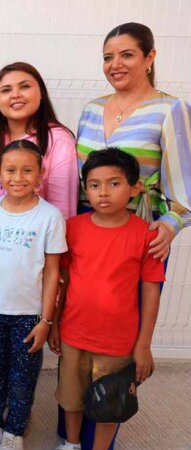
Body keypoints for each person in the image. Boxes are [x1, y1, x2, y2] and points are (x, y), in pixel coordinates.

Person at [69, 23, 191, 448]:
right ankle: (71, 434)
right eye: (108, 57)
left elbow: (184, 187)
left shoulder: (170, 109)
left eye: (126, 55)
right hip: (87, 237)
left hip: (138, 236)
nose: (115, 65)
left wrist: (170, 226)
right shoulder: (90, 108)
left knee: (119, 350)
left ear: (150, 57)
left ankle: (101, 435)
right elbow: (77, 179)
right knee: (81, 342)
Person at [50, 148, 164, 450]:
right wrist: (53, 325)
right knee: (71, 399)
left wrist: (144, 344)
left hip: (118, 344)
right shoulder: (73, 228)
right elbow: (64, 281)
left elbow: (151, 290)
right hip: (74, 334)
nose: (103, 192)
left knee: (110, 404)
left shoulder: (146, 235)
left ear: (135, 188)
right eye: (94, 184)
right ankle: (71, 443)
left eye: (114, 183)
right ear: (85, 188)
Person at [0, 140, 66, 450]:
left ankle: (14, 434)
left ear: (41, 174)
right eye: (10, 170)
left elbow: (52, 272)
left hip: (29, 316)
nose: (18, 177)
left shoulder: (50, 217)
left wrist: (46, 320)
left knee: (23, 381)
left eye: (27, 170)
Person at [0, 62, 78, 219]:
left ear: (41, 93)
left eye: (24, 87)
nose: (15, 94)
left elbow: (62, 209)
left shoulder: (58, 140)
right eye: (6, 90)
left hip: (36, 239)